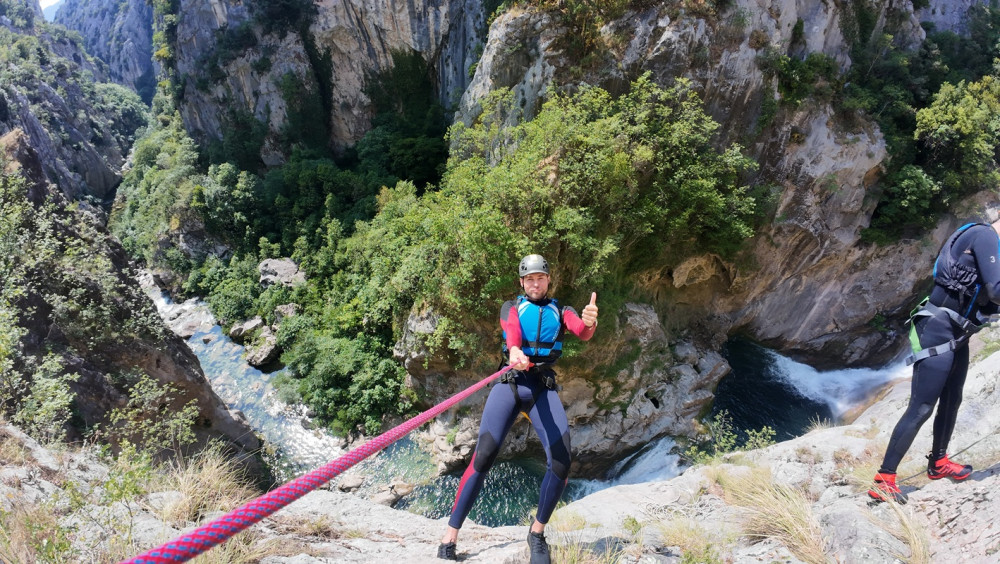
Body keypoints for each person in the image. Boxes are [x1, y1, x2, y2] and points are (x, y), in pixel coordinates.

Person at [437, 254, 599, 562]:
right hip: (511, 382)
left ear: (548, 280)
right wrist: (513, 349)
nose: (535, 283)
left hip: (541, 386)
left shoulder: (561, 310)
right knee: (483, 455)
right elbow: (511, 331)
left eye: (540, 278)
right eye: (530, 279)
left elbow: (581, 331)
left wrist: (590, 322)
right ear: (522, 283)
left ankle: (536, 533)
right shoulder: (511, 307)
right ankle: (450, 536)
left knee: (562, 463)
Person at [868, 219, 1000, 504]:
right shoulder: (985, 235)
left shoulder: (984, 238)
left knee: (953, 399)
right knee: (922, 406)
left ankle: (939, 463)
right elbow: (995, 290)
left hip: (958, 331)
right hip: (939, 329)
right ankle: (884, 480)